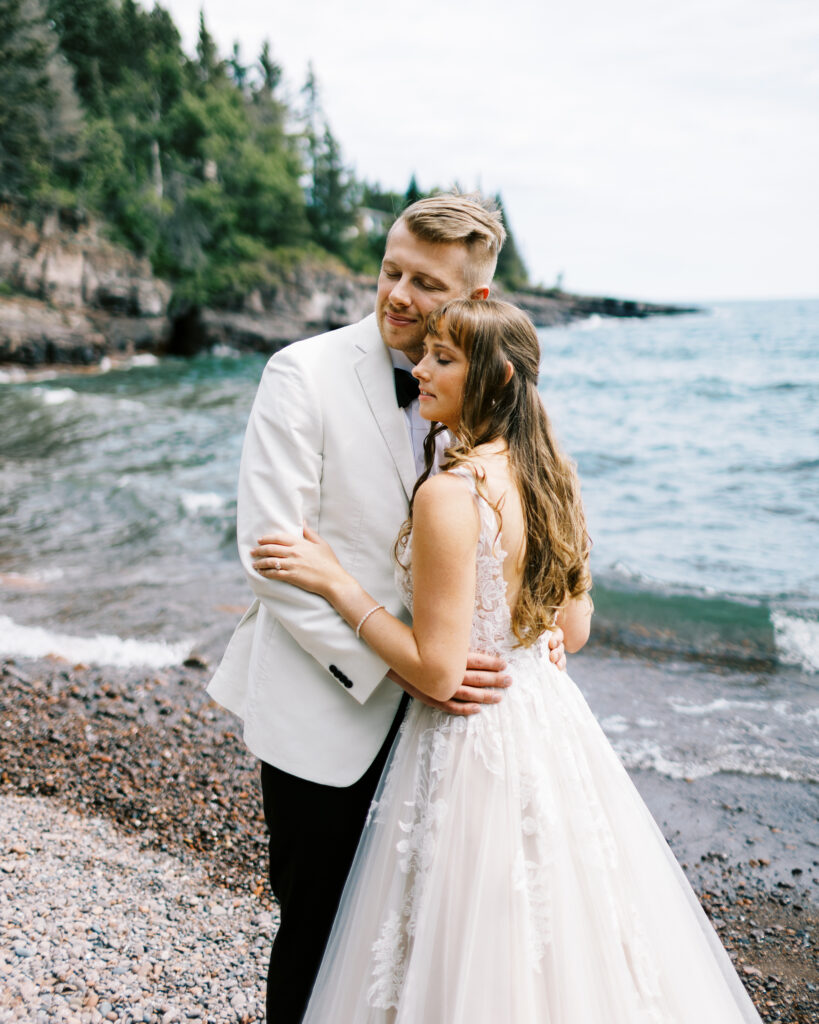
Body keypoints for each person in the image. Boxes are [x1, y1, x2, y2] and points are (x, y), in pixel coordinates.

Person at [252, 299, 763, 1022]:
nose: (419, 369)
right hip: (545, 720)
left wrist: (337, 582)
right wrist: (536, 637)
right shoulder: (552, 475)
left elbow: (436, 672)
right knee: (557, 934)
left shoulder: (450, 494)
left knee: (460, 934)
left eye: (441, 358)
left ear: (492, 374)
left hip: (471, 736)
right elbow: (575, 629)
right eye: (423, 354)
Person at [206, 193, 567, 1023]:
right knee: (319, 933)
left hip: (450, 736)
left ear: (476, 301)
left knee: (425, 941)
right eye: (390, 270)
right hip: (327, 709)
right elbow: (272, 559)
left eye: (425, 283)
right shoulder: (301, 373)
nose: (398, 295)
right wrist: (412, 669)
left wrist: (533, 623)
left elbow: (508, 528)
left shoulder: (479, 393)